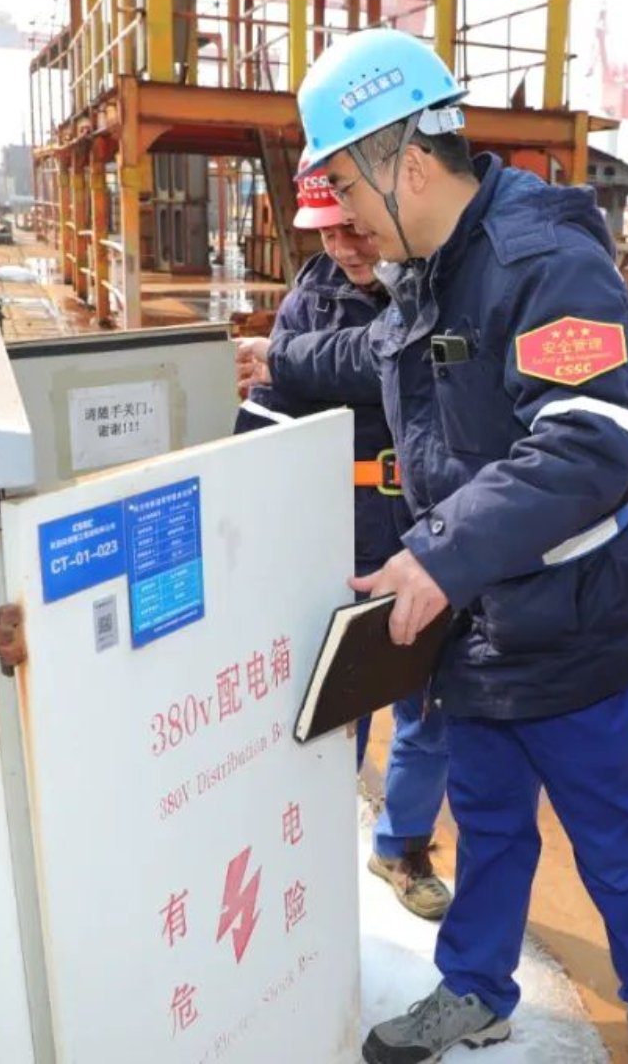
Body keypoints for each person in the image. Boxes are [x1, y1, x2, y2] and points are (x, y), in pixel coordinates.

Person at [238, 28, 628, 1064]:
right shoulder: (429, 266)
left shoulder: (545, 262)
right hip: (478, 632)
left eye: (343, 185)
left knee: (618, 841)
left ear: (404, 164)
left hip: (573, 628)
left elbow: (587, 444)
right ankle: (475, 989)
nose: (343, 217)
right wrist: (281, 358)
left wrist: (439, 551)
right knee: (489, 829)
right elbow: (381, 352)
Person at [233, 160, 451, 922]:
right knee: (334, 701)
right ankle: (313, 852)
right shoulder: (310, 298)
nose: (345, 247)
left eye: (353, 228)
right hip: (338, 526)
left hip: (428, 524)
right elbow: (270, 412)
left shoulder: (434, 286)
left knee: (427, 702)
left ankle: (402, 845)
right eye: (326, 233)